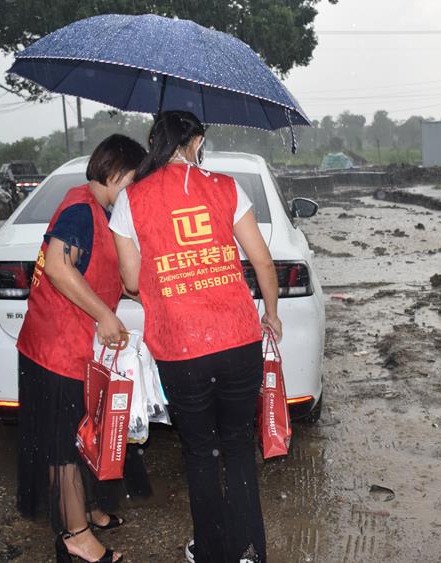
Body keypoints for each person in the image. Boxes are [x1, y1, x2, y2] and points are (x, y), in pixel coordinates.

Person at [111, 111, 281, 563]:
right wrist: (273, 315)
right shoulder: (226, 188)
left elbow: (129, 280)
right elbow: (262, 262)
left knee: (201, 451)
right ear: (197, 141)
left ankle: (212, 552)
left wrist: (166, 269)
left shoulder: (132, 199)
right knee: (240, 446)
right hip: (238, 337)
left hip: (180, 346)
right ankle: (250, 551)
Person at [16, 134, 147, 563]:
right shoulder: (79, 210)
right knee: (64, 449)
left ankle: (89, 510)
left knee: (84, 435)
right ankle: (75, 537)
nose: (137, 188)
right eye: (134, 178)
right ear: (113, 173)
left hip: (75, 347)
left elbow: (113, 276)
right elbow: (57, 266)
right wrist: (105, 315)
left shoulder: (104, 211)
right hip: (55, 351)